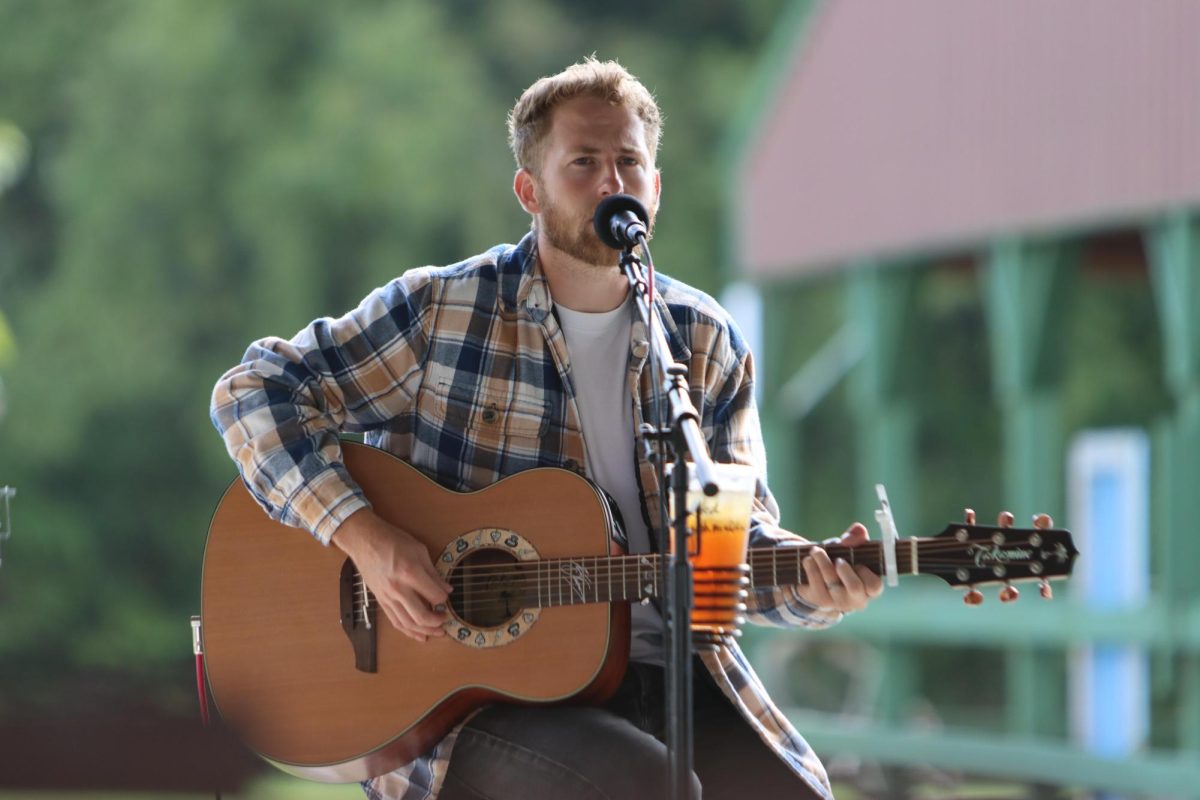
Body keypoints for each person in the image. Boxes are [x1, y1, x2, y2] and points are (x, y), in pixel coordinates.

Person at [211, 58, 883, 800]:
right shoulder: (445, 310)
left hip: (671, 674)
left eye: (630, 161)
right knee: (646, 788)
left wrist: (821, 588)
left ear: (656, 188)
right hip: (469, 701)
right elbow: (252, 392)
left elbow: (726, 555)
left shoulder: (703, 341)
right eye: (584, 163)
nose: (610, 182)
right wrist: (364, 539)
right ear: (529, 190)